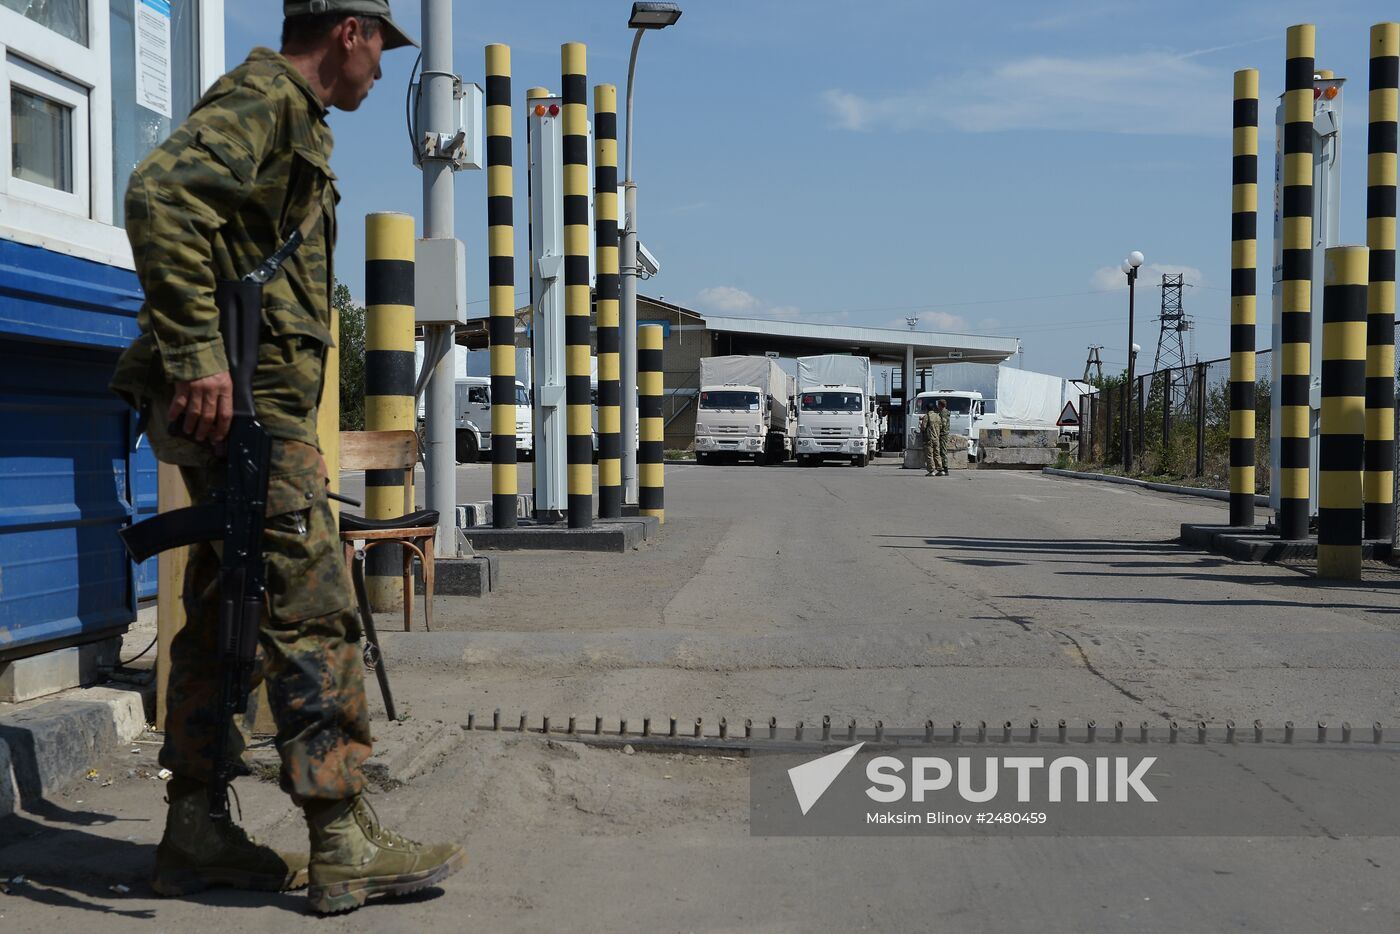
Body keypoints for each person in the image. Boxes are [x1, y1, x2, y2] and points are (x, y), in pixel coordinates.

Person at [109, 2, 462, 915]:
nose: (384, 69)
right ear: (349, 31)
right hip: (245, 410)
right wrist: (197, 355)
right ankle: (342, 835)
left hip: (248, 407)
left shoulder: (289, 119)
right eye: (383, 44)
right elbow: (159, 195)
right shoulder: (266, 98)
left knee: (230, 609)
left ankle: (196, 830)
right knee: (312, 611)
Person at [920, 403, 945, 476]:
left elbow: (923, 427)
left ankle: (931, 471)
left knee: (929, 455)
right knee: (937, 454)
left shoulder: (927, 416)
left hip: (929, 438)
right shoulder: (937, 416)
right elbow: (940, 426)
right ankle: (940, 470)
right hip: (936, 438)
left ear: (926, 409)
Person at [936, 398, 952, 476]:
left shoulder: (943, 413)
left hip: (943, 434)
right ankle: (942, 468)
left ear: (940, 405)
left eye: (938, 405)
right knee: (941, 451)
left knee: (942, 451)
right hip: (943, 434)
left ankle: (945, 469)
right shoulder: (943, 412)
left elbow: (943, 424)